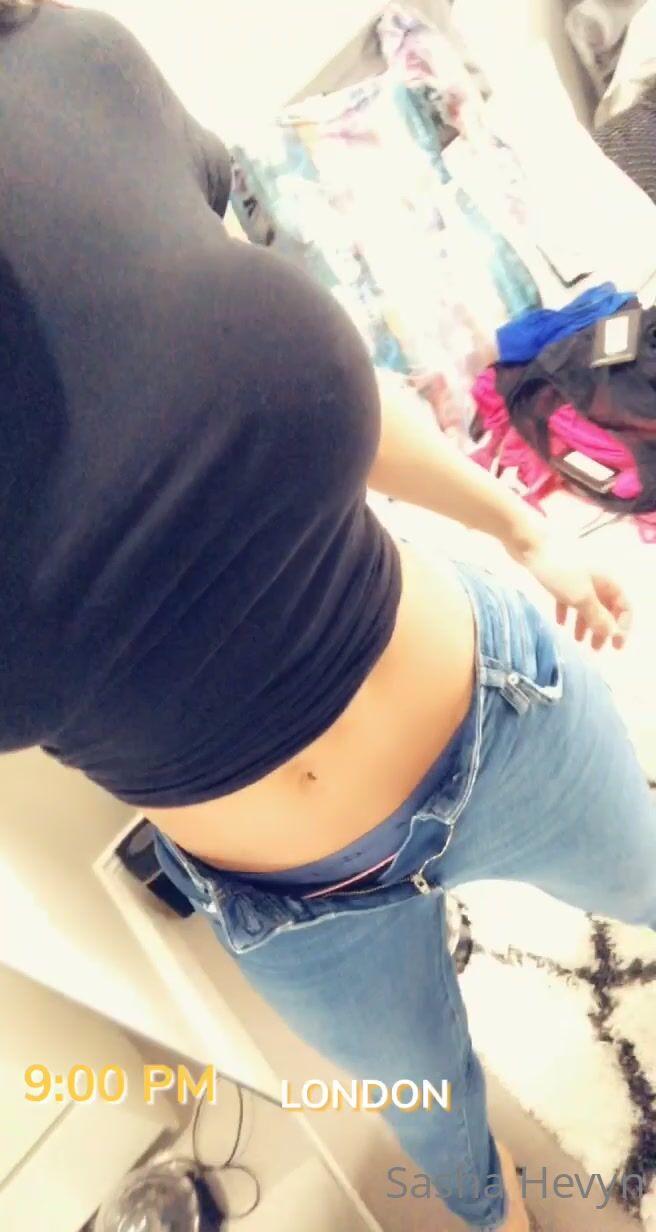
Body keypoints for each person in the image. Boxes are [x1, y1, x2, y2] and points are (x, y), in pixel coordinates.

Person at [1, 2, 654, 1228]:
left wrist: (518, 527)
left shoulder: (70, 73)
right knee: (444, 1137)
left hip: (500, 711)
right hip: (290, 907)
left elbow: (280, 368)